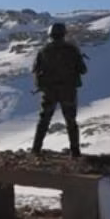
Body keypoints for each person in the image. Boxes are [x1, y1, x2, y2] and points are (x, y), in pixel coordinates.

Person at [31, 22, 88, 157]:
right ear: (64, 34)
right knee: (71, 121)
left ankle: (36, 150)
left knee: (43, 121)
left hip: (49, 92)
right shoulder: (72, 50)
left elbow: (36, 70)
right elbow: (83, 70)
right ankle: (75, 152)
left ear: (50, 34)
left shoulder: (43, 51)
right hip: (68, 91)